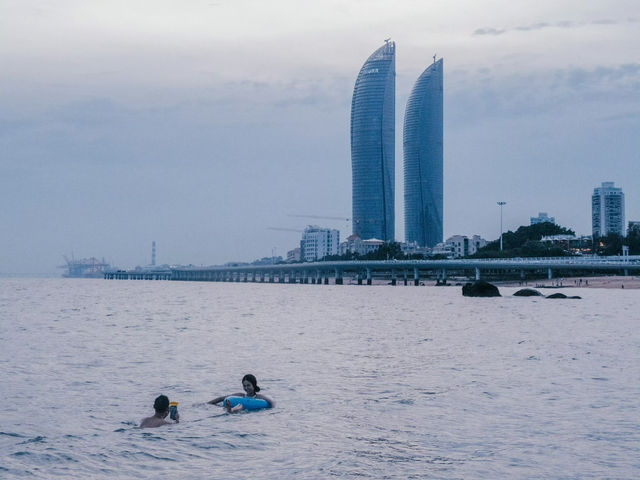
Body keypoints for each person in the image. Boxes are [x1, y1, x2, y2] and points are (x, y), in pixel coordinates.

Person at [208, 374, 275, 412]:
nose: (246, 388)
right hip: (239, 413)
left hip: (248, 414)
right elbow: (221, 398)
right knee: (237, 408)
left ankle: (231, 410)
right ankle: (230, 410)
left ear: (254, 385)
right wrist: (207, 404)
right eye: (244, 386)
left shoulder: (259, 397)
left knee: (238, 409)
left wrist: (272, 411)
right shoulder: (240, 395)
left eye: (248, 385)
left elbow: (271, 402)